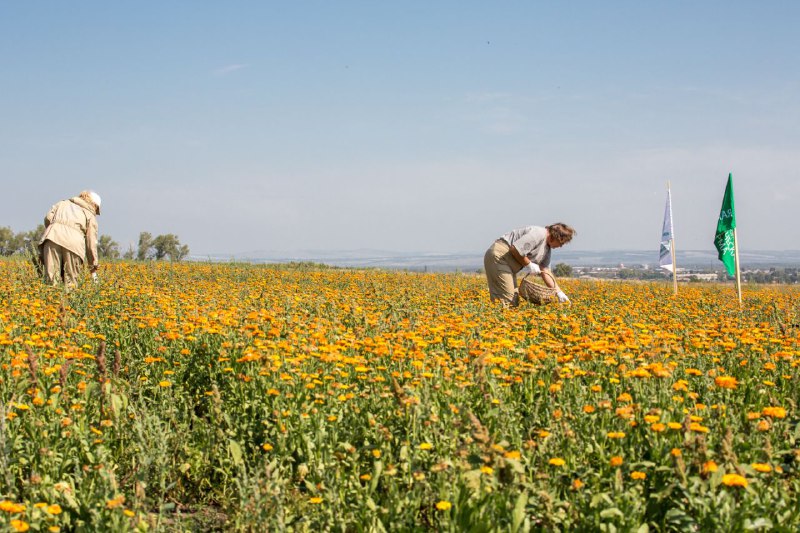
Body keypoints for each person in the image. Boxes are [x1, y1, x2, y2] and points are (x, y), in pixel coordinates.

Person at [484, 223, 575, 306]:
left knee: (513, 300)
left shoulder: (547, 248)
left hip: (507, 264)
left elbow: (545, 271)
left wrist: (558, 292)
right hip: (500, 257)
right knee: (507, 299)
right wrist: (529, 264)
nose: (561, 246)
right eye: (561, 243)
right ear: (557, 237)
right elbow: (515, 249)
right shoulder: (538, 234)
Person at [38, 190, 102, 287]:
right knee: (71, 282)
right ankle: (68, 300)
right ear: (95, 205)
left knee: (51, 279)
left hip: (52, 238)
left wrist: (56, 229)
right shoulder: (89, 215)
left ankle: (51, 300)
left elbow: (48, 218)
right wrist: (93, 265)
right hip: (73, 244)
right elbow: (91, 243)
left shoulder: (62, 203)